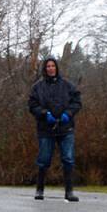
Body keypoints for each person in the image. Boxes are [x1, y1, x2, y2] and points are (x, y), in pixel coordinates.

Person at [28, 57, 82, 202]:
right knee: (44, 159)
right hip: (46, 128)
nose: (51, 68)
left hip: (66, 128)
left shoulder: (68, 86)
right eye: (48, 66)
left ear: (56, 68)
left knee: (68, 159)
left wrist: (68, 114)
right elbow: (32, 105)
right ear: (44, 69)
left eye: (53, 66)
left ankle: (69, 191)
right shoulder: (37, 87)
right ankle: (39, 190)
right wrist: (45, 114)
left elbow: (77, 102)